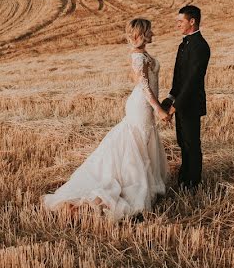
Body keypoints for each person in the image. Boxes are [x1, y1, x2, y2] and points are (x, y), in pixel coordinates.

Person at [43, 19, 168, 220]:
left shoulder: (142, 55)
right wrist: (158, 108)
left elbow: (138, 80)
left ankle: (143, 182)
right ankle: (133, 185)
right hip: (142, 104)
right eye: (149, 30)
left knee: (143, 142)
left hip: (144, 103)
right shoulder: (137, 56)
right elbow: (143, 85)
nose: (153, 32)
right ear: (142, 34)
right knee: (137, 142)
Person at [161, 5, 210, 189]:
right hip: (180, 101)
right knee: (183, 143)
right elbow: (178, 77)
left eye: (180, 21)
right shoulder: (184, 44)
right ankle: (184, 179)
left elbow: (192, 81)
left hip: (190, 104)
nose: (177, 25)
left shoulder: (200, 46)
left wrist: (176, 106)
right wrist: (170, 98)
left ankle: (193, 183)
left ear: (192, 21)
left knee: (192, 144)